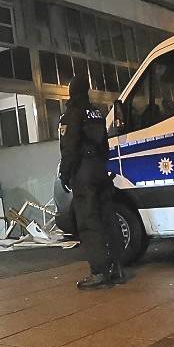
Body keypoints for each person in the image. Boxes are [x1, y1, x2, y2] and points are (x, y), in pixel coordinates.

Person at [58, 74, 122, 289]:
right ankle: (116, 268)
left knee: (89, 221)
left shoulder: (71, 114)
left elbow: (69, 148)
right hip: (100, 170)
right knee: (108, 218)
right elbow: (105, 145)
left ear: (71, 91)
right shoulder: (96, 113)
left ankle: (99, 272)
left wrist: (65, 174)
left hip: (83, 172)